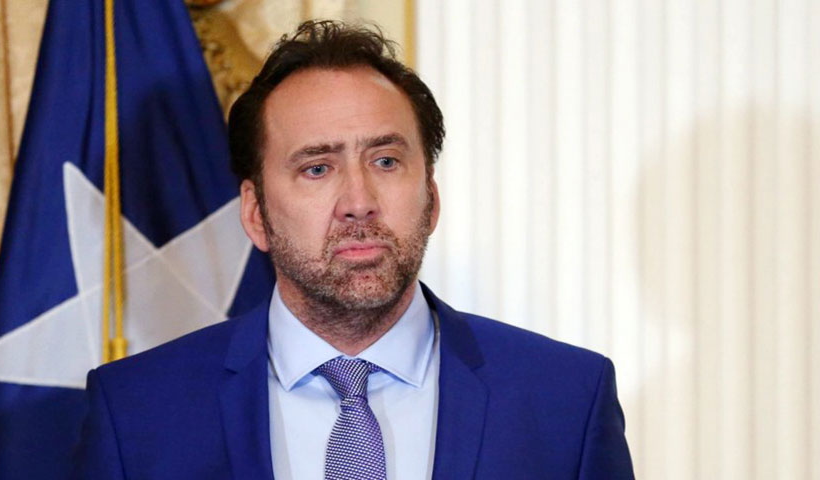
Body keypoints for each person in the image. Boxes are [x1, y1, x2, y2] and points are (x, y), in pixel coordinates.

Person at [75, 20, 634, 479]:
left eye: (386, 161)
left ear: (431, 198)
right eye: (317, 168)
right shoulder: (138, 412)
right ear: (255, 214)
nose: (359, 202)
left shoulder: (565, 399)